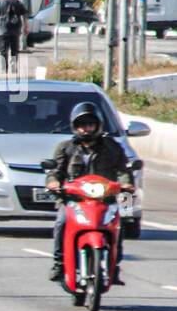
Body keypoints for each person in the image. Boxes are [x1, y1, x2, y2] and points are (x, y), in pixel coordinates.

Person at [45, 102, 135, 283]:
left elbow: (123, 170)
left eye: (89, 124)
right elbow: (55, 171)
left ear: (98, 125)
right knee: (61, 222)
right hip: (74, 199)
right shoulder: (66, 147)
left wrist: (126, 185)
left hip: (106, 199)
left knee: (122, 223)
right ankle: (59, 263)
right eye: (81, 125)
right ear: (74, 127)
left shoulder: (112, 147)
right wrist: (53, 182)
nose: (85, 129)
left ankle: (114, 267)